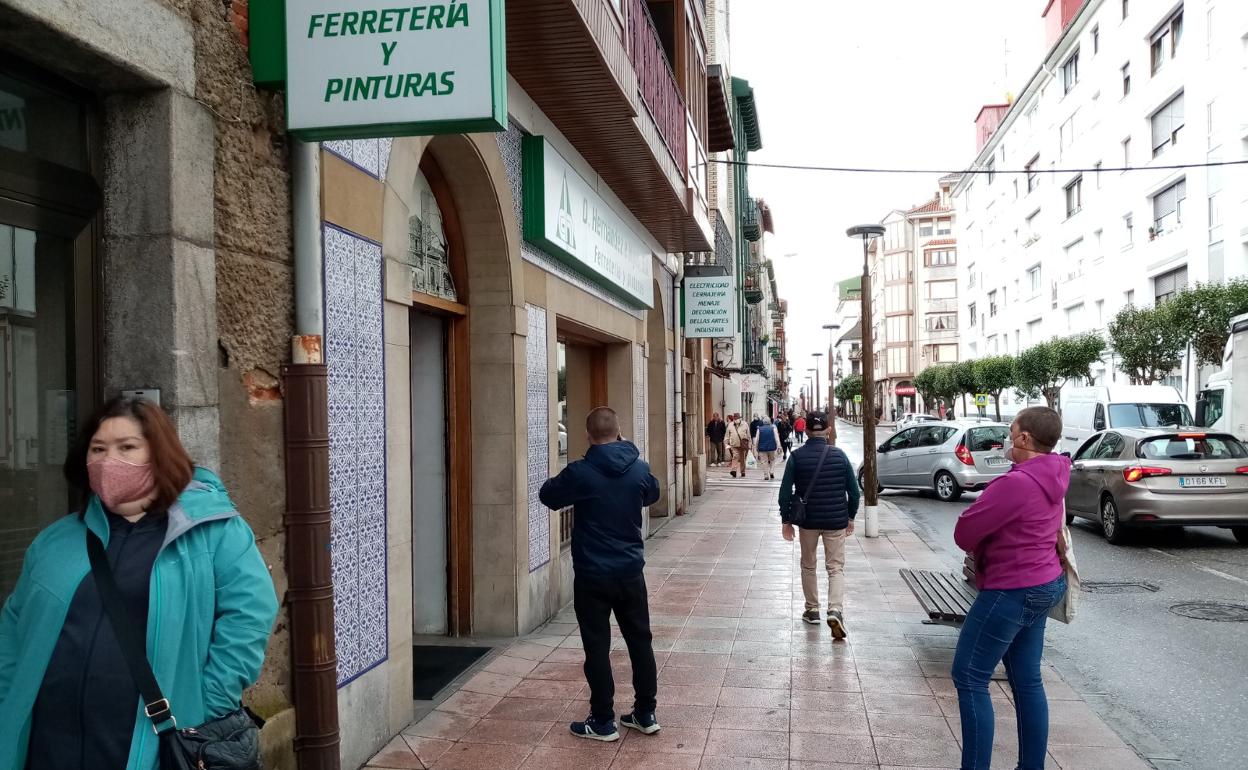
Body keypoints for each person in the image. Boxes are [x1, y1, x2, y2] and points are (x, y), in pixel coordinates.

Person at [0, 396, 278, 770]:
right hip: (48, 741)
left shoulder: (215, 533)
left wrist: (205, 703)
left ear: (160, 454)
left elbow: (248, 617)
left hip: (148, 743)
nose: (108, 460)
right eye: (98, 449)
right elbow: (14, 627)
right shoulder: (56, 541)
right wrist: (9, 701)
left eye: (126, 447)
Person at [951, 407, 1071, 770]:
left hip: (1012, 587)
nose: (1006, 438)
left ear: (1024, 438)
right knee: (1027, 678)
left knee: (969, 675)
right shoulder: (1055, 472)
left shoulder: (1015, 484)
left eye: (1010, 431)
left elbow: (964, 534)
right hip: (1045, 583)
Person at [539, 407, 662, 742]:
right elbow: (653, 493)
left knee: (597, 646)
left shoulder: (581, 471)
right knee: (640, 641)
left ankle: (603, 720)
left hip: (593, 574)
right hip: (630, 572)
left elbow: (547, 495)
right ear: (619, 432)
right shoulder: (639, 468)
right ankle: (645, 712)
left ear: (588, 435)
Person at [777, 412, 859, 639]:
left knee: (808, 565)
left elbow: (785, 493)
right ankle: (835, 609)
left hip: (808, 522)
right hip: (835, 521)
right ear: (828, 431)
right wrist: (850, 517)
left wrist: (786, 521)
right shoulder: (840, 456)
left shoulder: (796, 457)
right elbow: (853, 492)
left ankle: (812, 609)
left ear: (805, 431)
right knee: (835, 567)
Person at [724, 414, 751, 479]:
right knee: (735, 457)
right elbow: (727, 435)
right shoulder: (730, 425)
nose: (736, 420)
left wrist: (750, 444)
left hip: (743, 445)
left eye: (737, 419)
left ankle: (742, 471)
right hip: (734, 444)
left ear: (740, 418)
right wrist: (726, 444)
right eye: (735, 419)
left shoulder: (745, 424)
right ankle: (734, 471)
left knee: (742, 459)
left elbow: (748, 435)